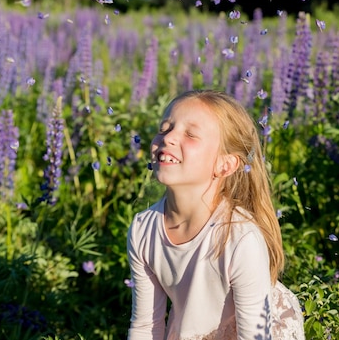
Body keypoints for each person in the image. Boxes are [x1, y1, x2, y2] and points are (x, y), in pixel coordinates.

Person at [127, 89, 304, 340]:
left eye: (190, 134)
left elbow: (255, 336)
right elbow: (146, 326)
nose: (169, 138)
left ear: (226, 165)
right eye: (165, 128)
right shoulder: (143, 229)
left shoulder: (241, 238)